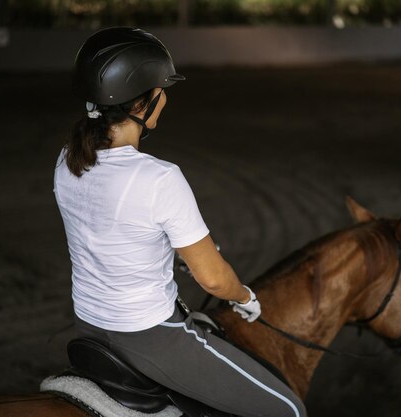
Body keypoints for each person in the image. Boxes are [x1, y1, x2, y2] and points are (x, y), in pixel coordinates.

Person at [53, 27, 306, 417]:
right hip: (151, 336)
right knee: (289, 409)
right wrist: (244, 297)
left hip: (90, 326)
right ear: (142, 105)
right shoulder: (160, 178)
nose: (165, 98)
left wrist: (174, 254)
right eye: (161, 90)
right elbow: (214, 280)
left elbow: (109, 236)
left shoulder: (67, 159)